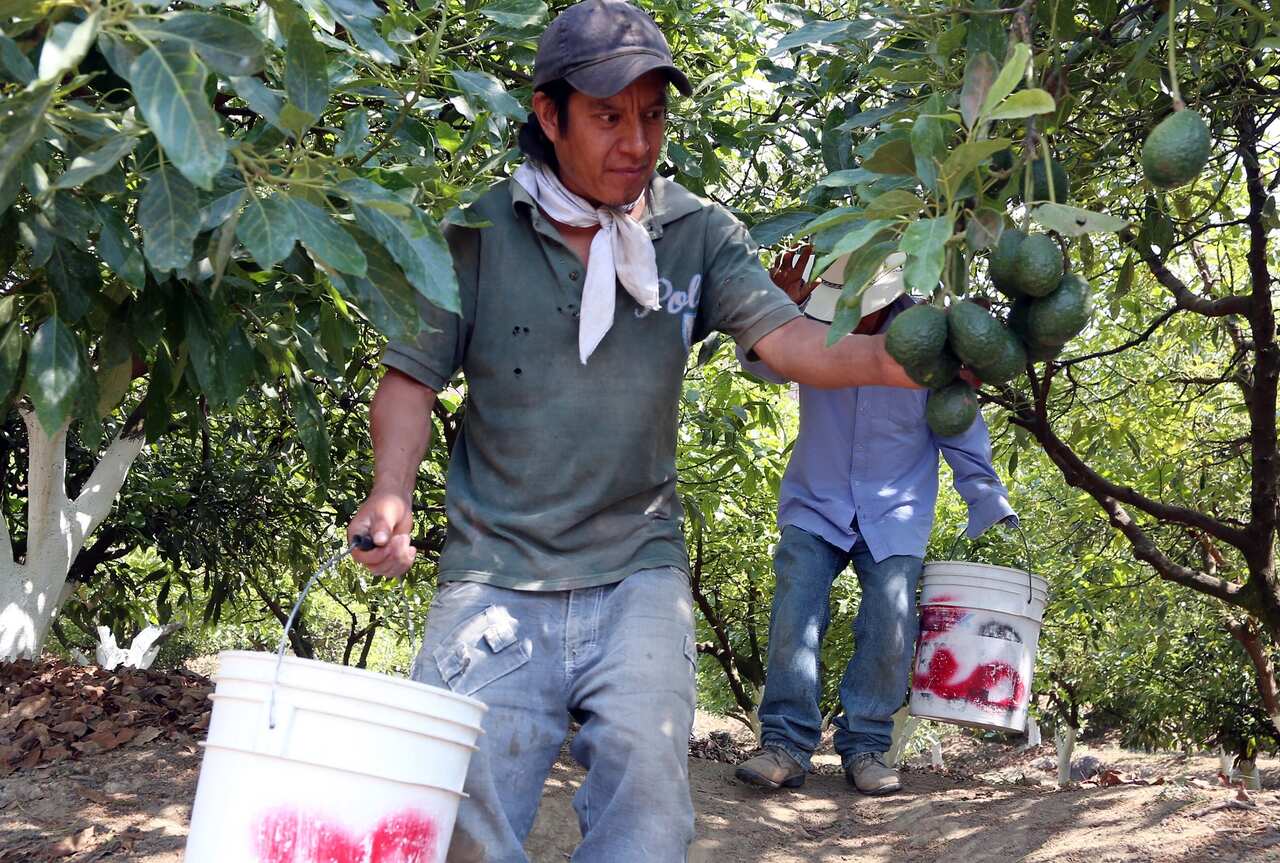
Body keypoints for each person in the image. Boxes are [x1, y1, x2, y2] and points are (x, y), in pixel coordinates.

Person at [345, 2, 924, 860]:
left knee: (651, 800)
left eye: (651, 116)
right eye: (609, 117)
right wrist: (391, 486)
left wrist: (894, 363)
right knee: (456, 812)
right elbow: (410, 378)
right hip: (495, 570)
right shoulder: (475, 232)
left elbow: (788, 338)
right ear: (549, 116)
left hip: (637, 566)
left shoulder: (694, 234)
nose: (636, 142)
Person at [735, 250, 1017, 796]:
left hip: (896, 509)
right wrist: (775, 309)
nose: (850, 319)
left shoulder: (931, 346)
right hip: (817, 501)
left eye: (860, 310)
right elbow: (762, 364)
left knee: (890, 622)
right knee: (795, 610)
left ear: (886, 303)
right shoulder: (813, 324)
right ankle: (786, 745)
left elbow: (957, 426)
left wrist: (988, 499)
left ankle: (865, 745)